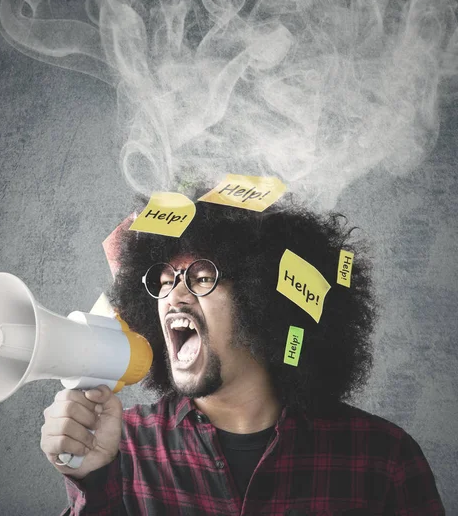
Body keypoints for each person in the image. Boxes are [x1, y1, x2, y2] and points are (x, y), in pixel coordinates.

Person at [40, 193, 445, 515]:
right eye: (164, 280)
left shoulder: (382, 458)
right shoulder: (123, 448)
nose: (174, 295)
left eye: (201, 278)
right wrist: (91, 480)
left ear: (264, 304)